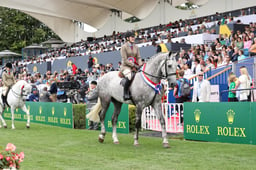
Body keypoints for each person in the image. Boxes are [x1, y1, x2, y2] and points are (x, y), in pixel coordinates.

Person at [120, 31, 143, 100]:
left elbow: (138, 57)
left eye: (134, 37)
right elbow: (125, 60)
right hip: (125, 66)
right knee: (130, 76)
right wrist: (133, 65)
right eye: (132, 37)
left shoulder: (136, 47)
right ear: (127, 38)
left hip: (135, 66)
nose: (133, 38)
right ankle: (125, 93)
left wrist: (140, 64)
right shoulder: (123, 47)